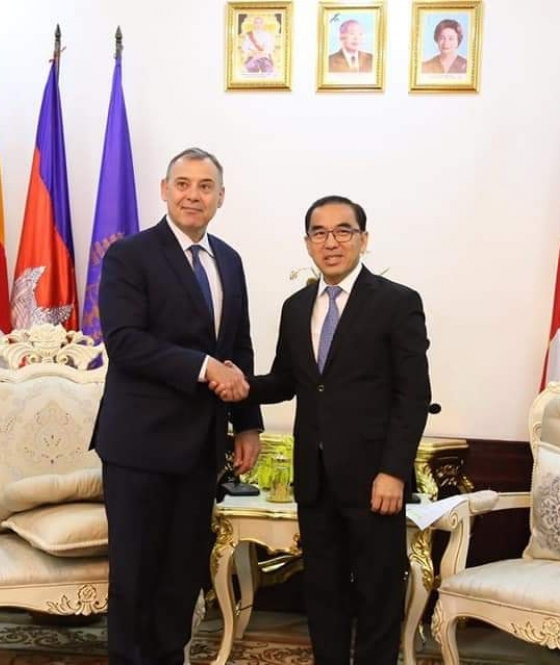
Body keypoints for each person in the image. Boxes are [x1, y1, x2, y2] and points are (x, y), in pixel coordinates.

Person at [214, 195, 431, 664]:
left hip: (375, 480)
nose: (331, 242)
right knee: (323, 591)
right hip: (314, 479)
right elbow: (286, 381)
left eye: (343, 231)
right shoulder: (296, 307)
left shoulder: (397, 303)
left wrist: (394, 471)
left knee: (377, 593)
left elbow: (412, 396)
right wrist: (238, 383)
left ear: (363, 239)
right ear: (308, 242)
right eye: (320, 232)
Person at [94, 147, 264, 665]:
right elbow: (125, 342)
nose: (194, 195)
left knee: (182, 575)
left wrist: (248, 424)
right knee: (136, 574)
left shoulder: (229, 260)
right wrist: (204, 367)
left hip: (200, 447)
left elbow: (239, 346)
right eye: (183, 184)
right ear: (164, 190)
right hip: (139, 446)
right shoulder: (129, 256)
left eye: (205, 186)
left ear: (221, 197)